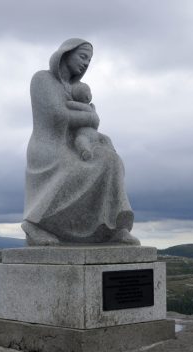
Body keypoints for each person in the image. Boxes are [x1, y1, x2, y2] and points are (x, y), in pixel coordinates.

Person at [22, 38, 139, 246]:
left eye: (89, 60)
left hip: (74, 145)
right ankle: (34, 224)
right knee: (73, 168)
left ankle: (114, 228)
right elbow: (56, 116)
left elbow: (80, 127)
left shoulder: (75, 89)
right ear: (66, 54)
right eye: (82, 56)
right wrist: (92, 118)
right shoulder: (42, 79)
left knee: (111, 160)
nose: (86, 63)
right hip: (49, 148)